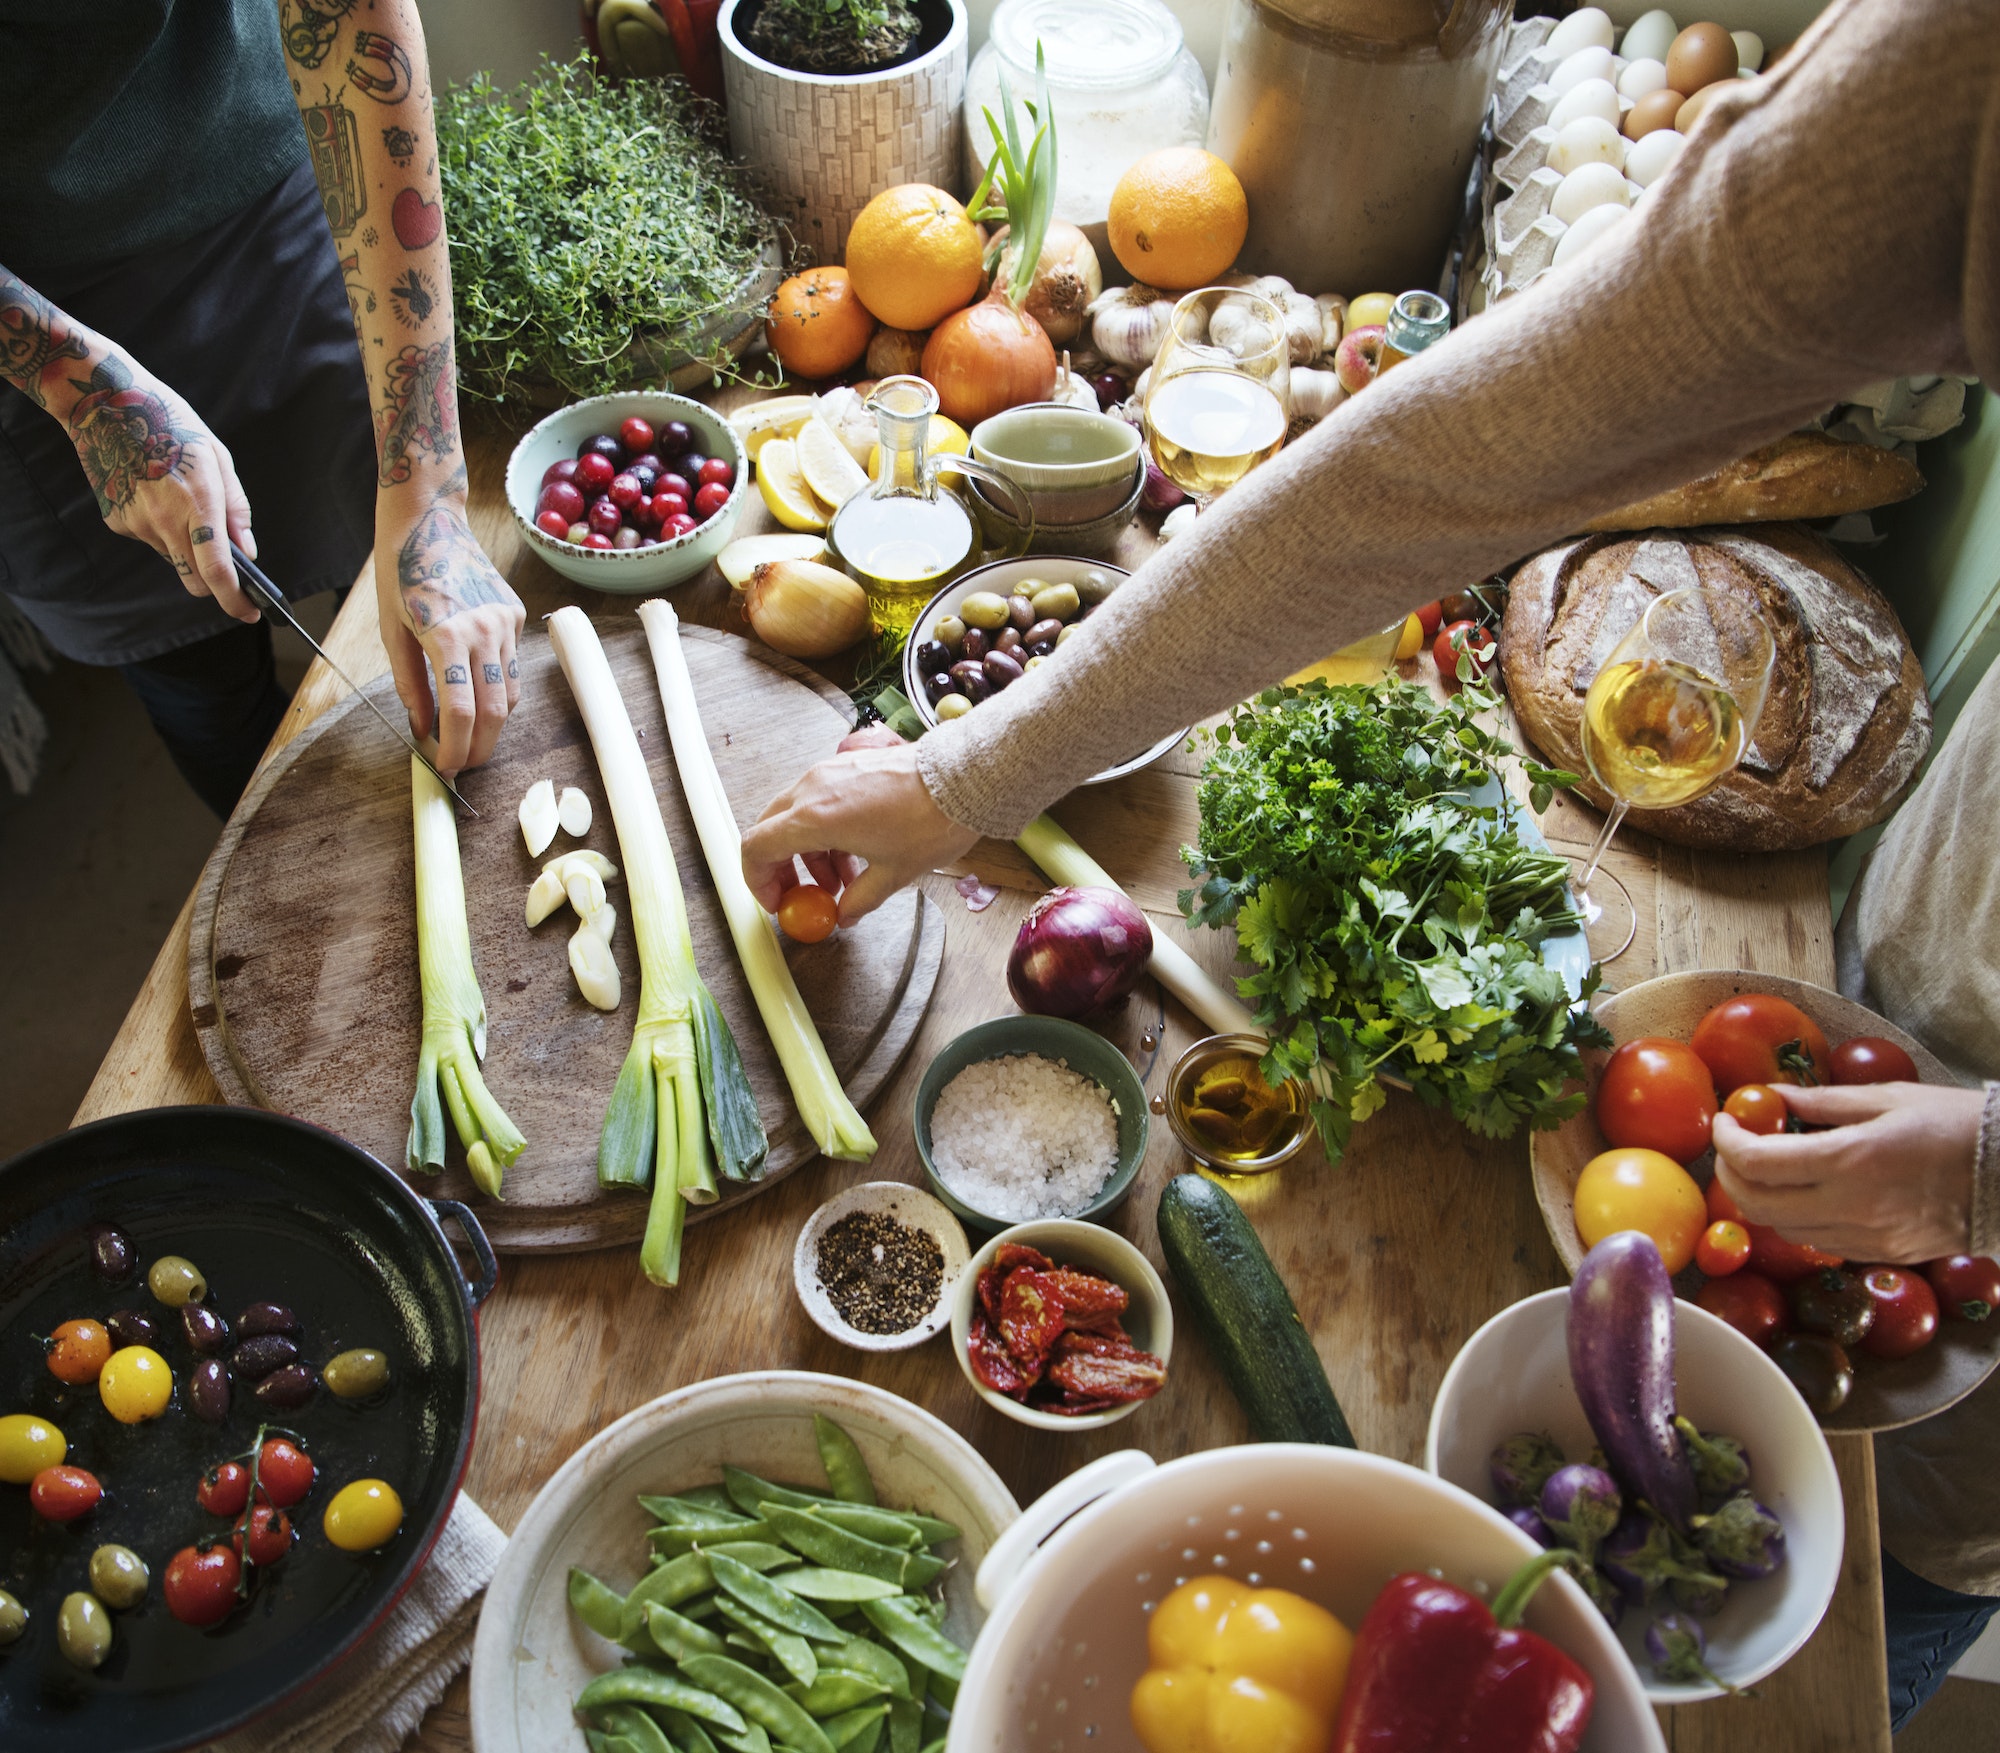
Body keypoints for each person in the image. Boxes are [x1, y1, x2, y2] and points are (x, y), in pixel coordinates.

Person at [738, 0, 1999, 1723]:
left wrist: (1990, 1170)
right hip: (1952, 934)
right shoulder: (1958, 84)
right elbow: (1452, 453)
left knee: (1915, 1529)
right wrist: (972, 766)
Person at [0, 0, 521, 817]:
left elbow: (352, 18)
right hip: (24, 307)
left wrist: (430, 488)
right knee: (198, 681)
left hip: (260, 190)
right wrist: (79, 383)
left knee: (406, 574)